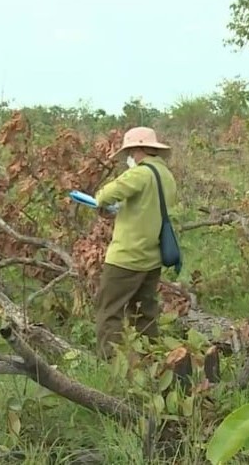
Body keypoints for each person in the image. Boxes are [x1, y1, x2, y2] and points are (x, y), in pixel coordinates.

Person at [93, 126, 177, 360]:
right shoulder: (166, 176)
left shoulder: (140, 174)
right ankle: (155, 362)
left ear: (137, 149)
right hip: (152, 257)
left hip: (127, 257)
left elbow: (103, 196)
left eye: (130, 152)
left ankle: (113, 365)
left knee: (109, 312)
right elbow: (148, 208)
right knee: (145, 314)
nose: (129, 158)